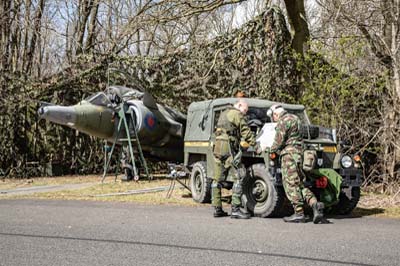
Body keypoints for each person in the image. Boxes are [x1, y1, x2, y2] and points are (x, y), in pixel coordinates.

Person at [268, 104, 324, 223]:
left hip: (289, 156)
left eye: (273, 117)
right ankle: (315, 204)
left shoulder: (283, 122)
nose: (274, 119)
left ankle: (299, 213)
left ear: (276, 114)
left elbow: (278, 141)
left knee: (291, 185)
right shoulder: (295, 118)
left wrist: (271, 151)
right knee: (300, 184)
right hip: (299, 154)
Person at [212, 99, 258, 219]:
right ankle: (235, 209)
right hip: (228, 148)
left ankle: (217, 209)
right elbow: (245, 132)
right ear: (239, 105)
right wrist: (256, 145)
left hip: (218, 148)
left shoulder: (223, 113)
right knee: (239, 176)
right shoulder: (236, 114)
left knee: (216, 180)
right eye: (244, 110)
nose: (245, 113)